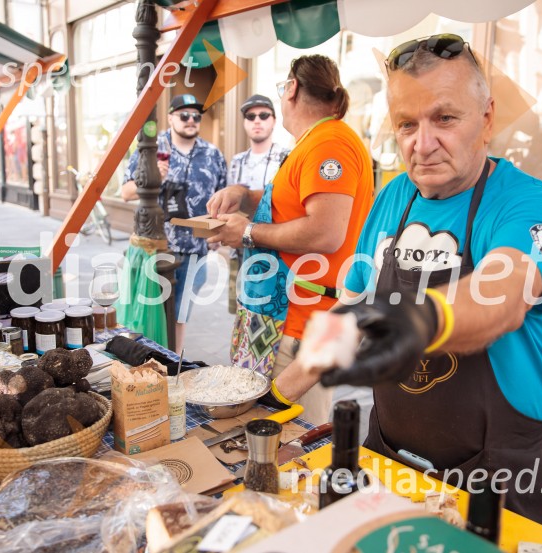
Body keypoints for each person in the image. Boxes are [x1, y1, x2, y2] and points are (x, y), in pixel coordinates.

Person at [269, 35, 542, 528]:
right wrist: (275, 398)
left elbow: (503, 293)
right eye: (407, 124)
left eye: (445, 119)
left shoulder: (527, 205)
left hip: (499, 478)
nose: (422, 143)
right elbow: (346, 316)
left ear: (488, 118)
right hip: (392, 458)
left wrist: (415, 320)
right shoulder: (393, 197)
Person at [207, 55, 374, 425]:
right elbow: (291, 204)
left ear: (292, 89)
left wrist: (246, 231)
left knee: (288, 442)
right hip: (278, 317)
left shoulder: (329, 143)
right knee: (257, 435)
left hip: (298, 325)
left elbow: (327, 232)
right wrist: (244, 194)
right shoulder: (315, 141)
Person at [121, 94, 227, 353]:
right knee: (148, 313)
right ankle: (144, 362)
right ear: (170, 118)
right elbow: (125, 192)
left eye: (196, 116)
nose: (191, 120)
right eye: (184, 115)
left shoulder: (212, 154)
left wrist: (218, 233)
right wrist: (152, 176)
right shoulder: (151, 148)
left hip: (195, 251)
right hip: (156, 249)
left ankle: (171, 366)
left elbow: (223, 200)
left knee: (180, 316)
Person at [226, 94, 291, 374]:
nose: (257, 121)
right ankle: (247, 365)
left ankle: (260, 368)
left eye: (264, 115)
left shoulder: (285, 156)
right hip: (238, 250)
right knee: (241, 311)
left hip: (272, 251)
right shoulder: (237, 161)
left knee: (266, 314)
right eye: (251, 116)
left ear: (274, 121)